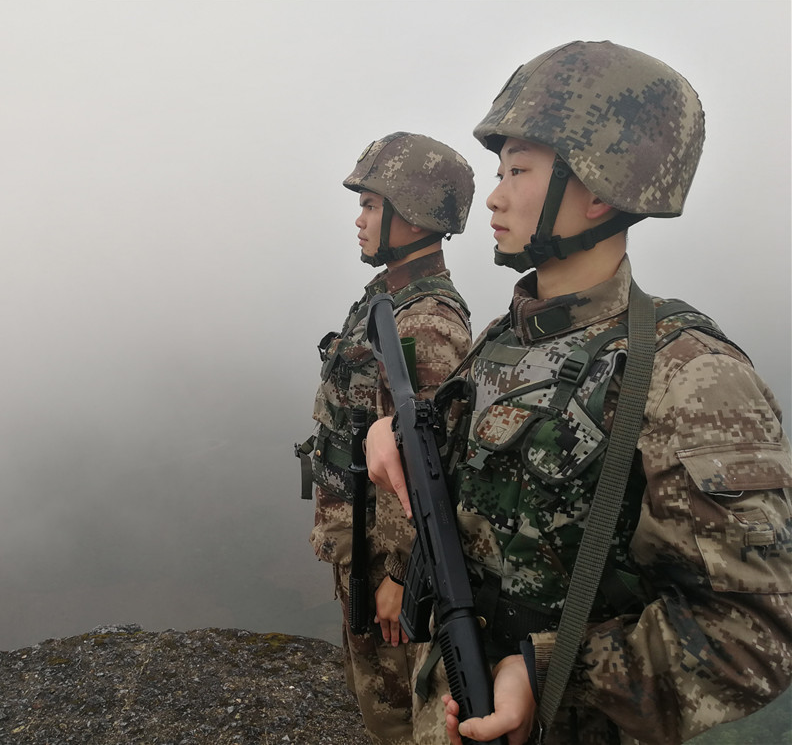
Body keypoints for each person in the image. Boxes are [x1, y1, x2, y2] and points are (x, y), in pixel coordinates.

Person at [364, 42, 792, 745]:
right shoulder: (504, 338)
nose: (496, 196)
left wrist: (550, 671)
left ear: (599, 188)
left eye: (520, 171)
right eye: (499, 172)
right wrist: (390, 435)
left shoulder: (691, 373)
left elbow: (750, 634)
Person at [297, 131, 476, 744]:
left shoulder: (426, 322)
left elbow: (423, 466)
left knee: (401, 719)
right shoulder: (386, 300)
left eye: (372, 205)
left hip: (390, 569)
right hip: (363, 555)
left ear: (416, 215)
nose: (360, 219)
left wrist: (400, 575)